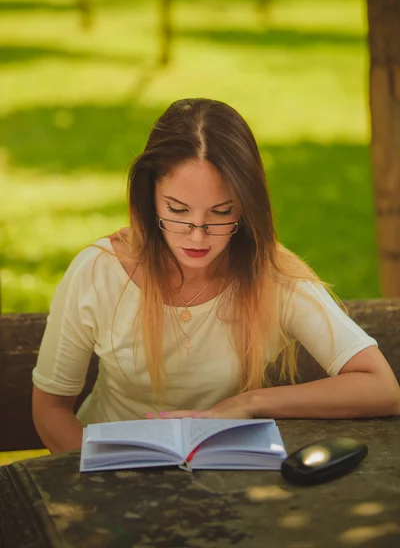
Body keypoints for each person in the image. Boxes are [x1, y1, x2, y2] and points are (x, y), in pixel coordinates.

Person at [32, 98, 400, 453]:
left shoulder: (272, 276)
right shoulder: (99, 272)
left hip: (224, 476)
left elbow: (381, 387)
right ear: (149, 196)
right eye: (177, 209)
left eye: (221, 212)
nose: (197, 235)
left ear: (246, 205)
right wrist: (103, 473)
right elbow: (50, 410)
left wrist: (250, 403)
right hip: (109, 475)